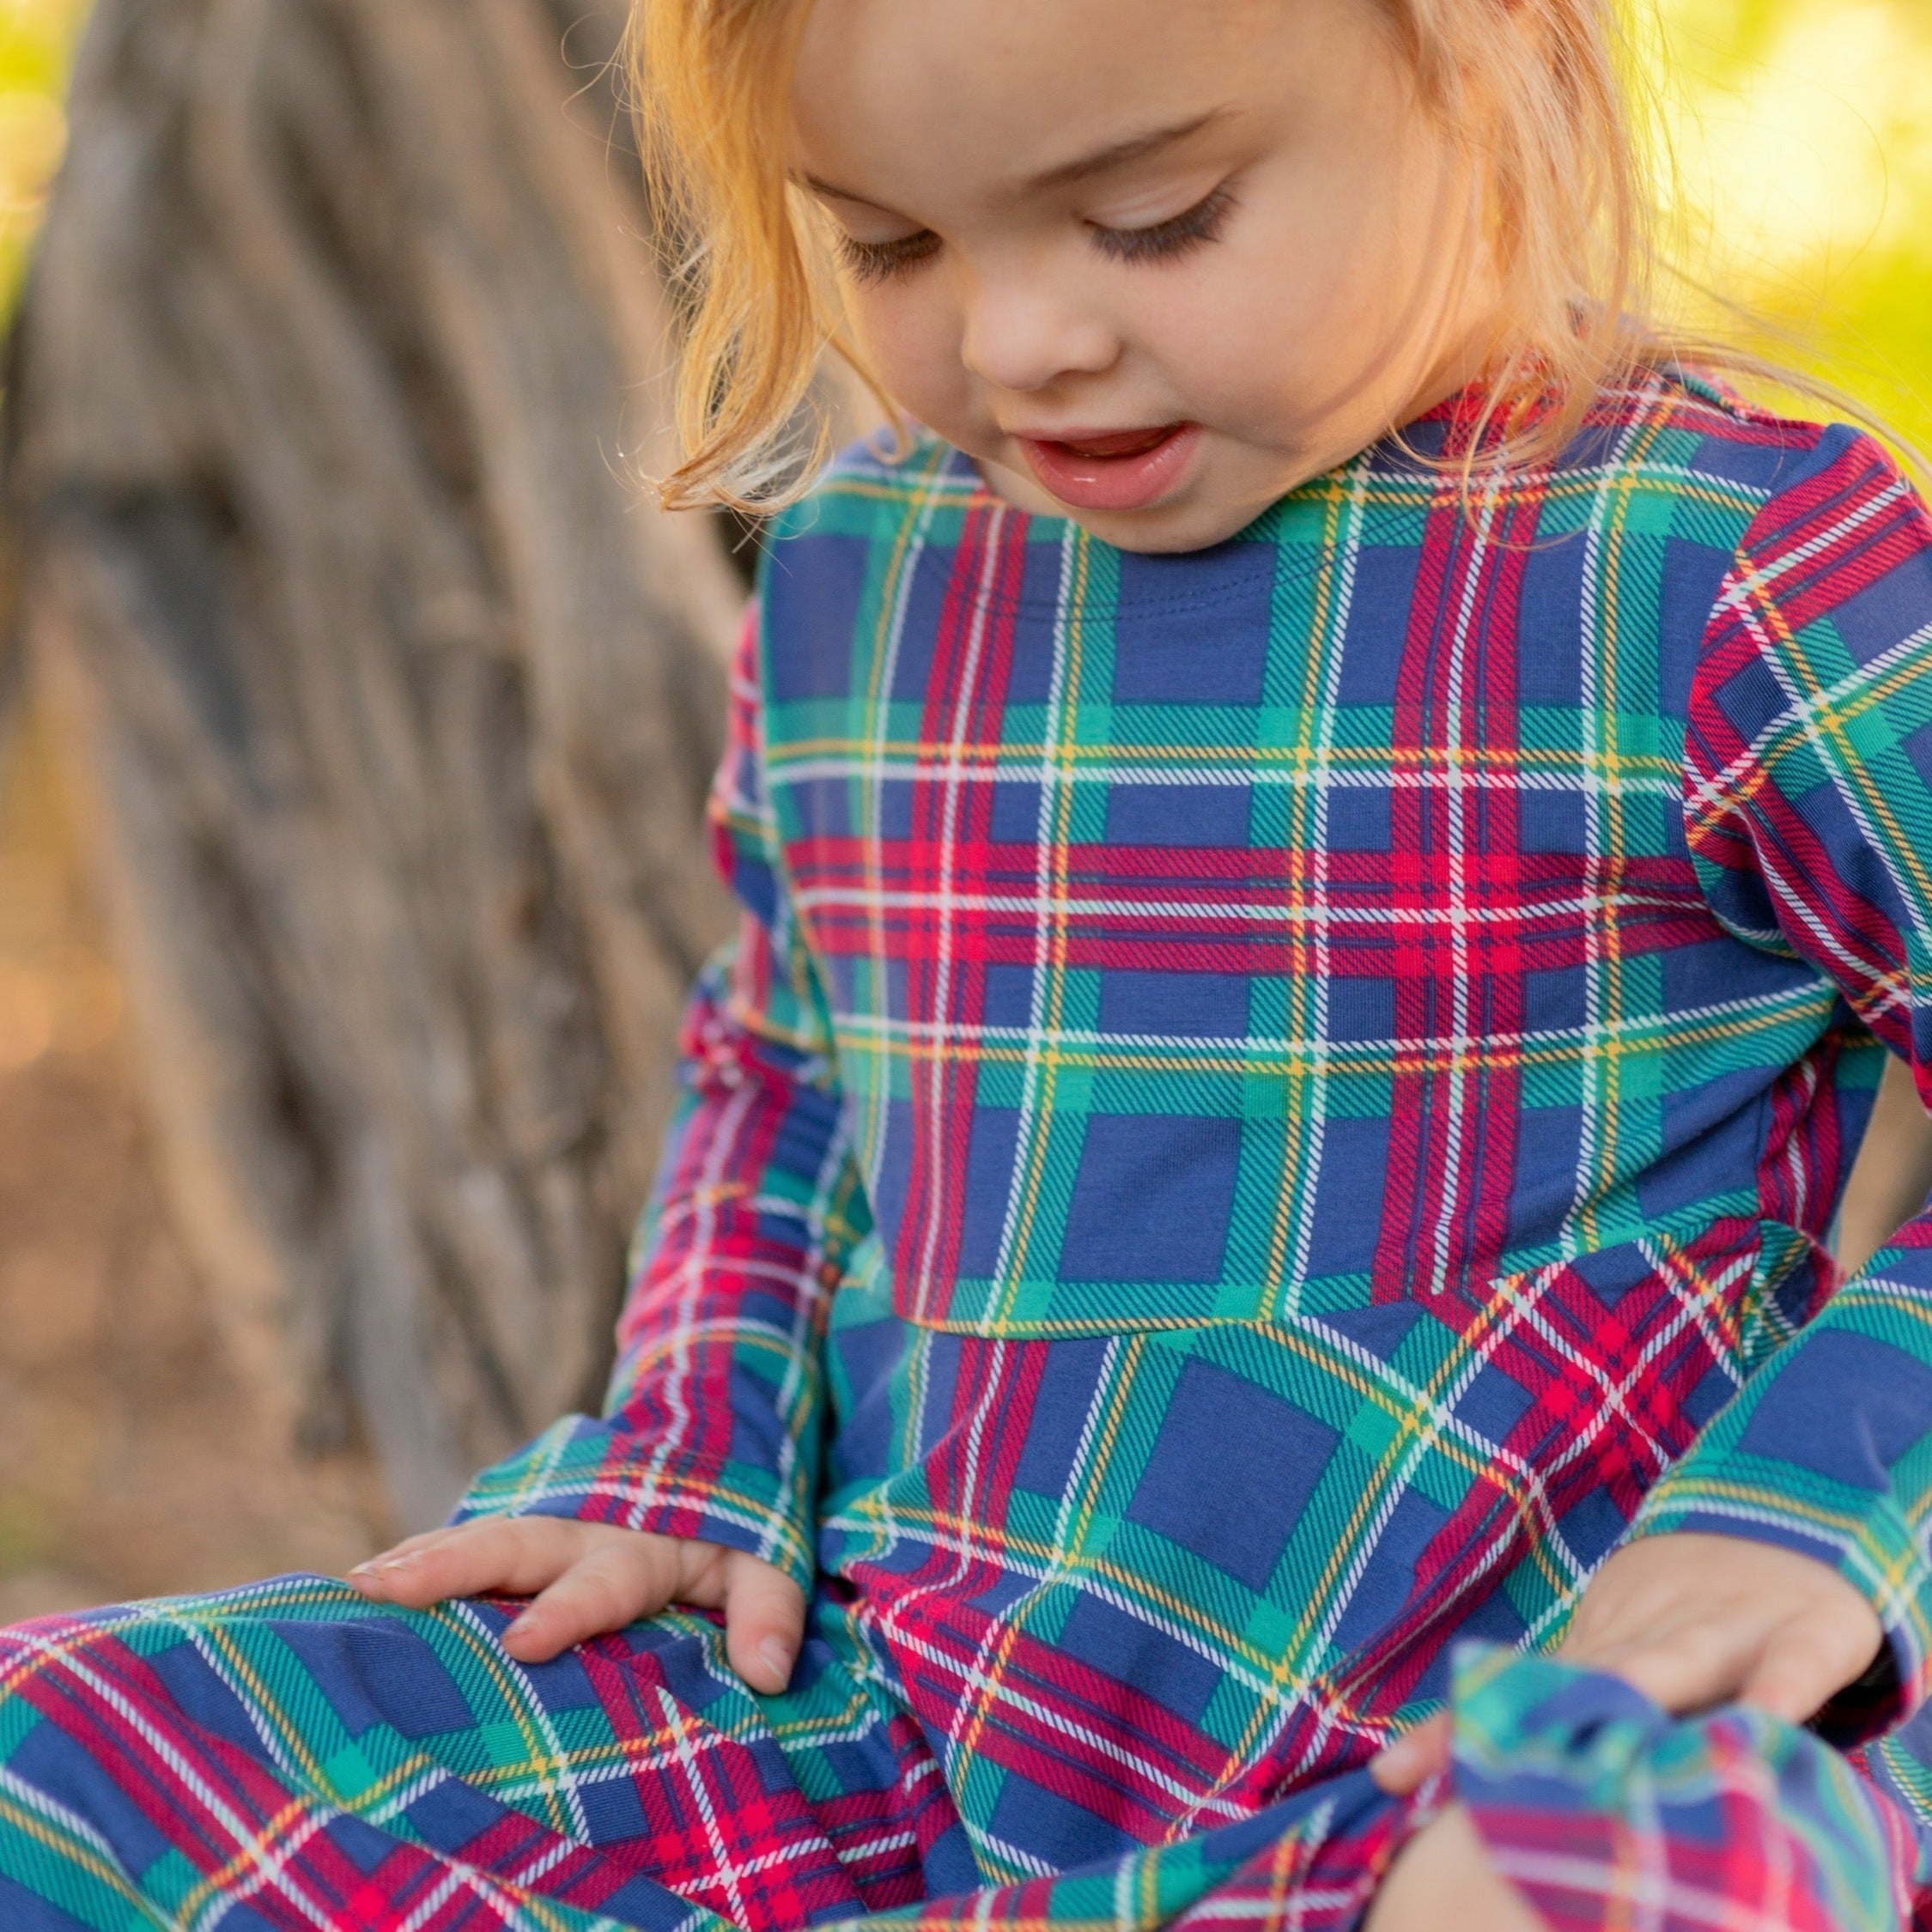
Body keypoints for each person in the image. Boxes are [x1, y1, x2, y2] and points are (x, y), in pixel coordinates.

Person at [5, 0, 1932, 1924]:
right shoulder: (869, 575)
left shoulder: (1724, 552)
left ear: (1489, 60)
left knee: (1653, 1880)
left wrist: (1815, 1518)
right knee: (67, 1753)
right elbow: (793, 1073)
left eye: (1158, 219)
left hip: (1495, 1726)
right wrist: (696, 1441)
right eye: (891, 245)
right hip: (893, 1718)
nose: (1020, 342)